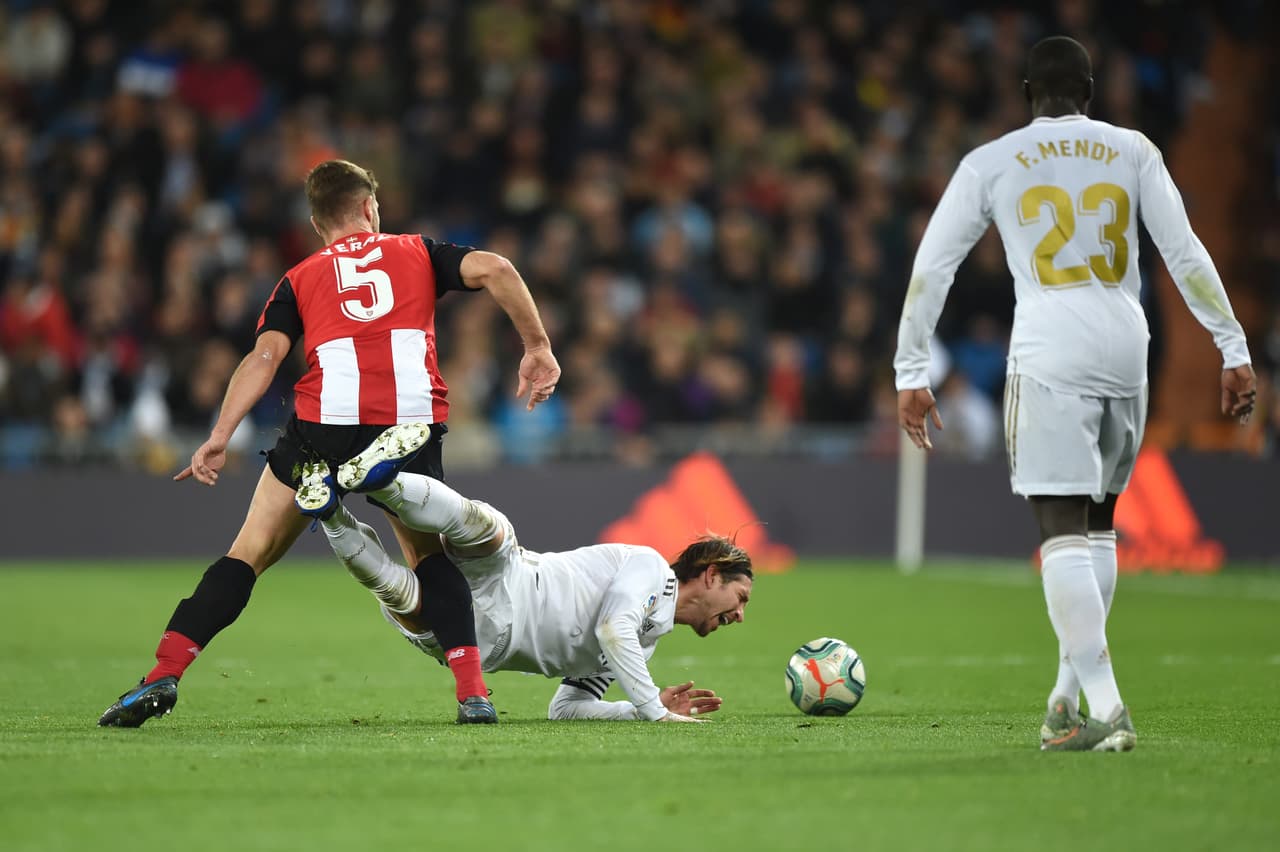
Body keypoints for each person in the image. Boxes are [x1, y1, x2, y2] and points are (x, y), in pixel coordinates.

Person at [99, 160, 561, 727]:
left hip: (324, 424)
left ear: (318, 224)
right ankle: (473, 695)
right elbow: (496, 268)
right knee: (427, 557)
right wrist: (537, 346)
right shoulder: (418, 252)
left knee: (247, 554)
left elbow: (264, 357)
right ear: (369, 207)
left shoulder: (298, 278)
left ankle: (163, 674)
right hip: (406, 423)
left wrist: (219, 435)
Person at [893, 37, 1256, 752]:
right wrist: (1233, 347)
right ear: (1091, 90)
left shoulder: (992, 161)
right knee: (1098, 526)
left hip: (1052, 347)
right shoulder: (1133, 149)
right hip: (1127, 347)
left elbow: (933, 267)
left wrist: (911, 370)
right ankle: (1065, 703)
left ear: (1027, 91)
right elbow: (1184, 252)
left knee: (1059, 528)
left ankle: (1109, 708)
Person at [293, 424, 752, 722]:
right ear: (712, 575)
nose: (740, 615)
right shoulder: (650, 569)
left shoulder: (643, 646)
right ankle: (381, 483)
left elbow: (567, 709)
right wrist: (653, 709)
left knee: (399, 593)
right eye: (741, 597)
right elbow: (614, 628)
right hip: (512, 581)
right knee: (480, 531)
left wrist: (635, 709)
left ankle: (329, 509)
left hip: (484, 641)